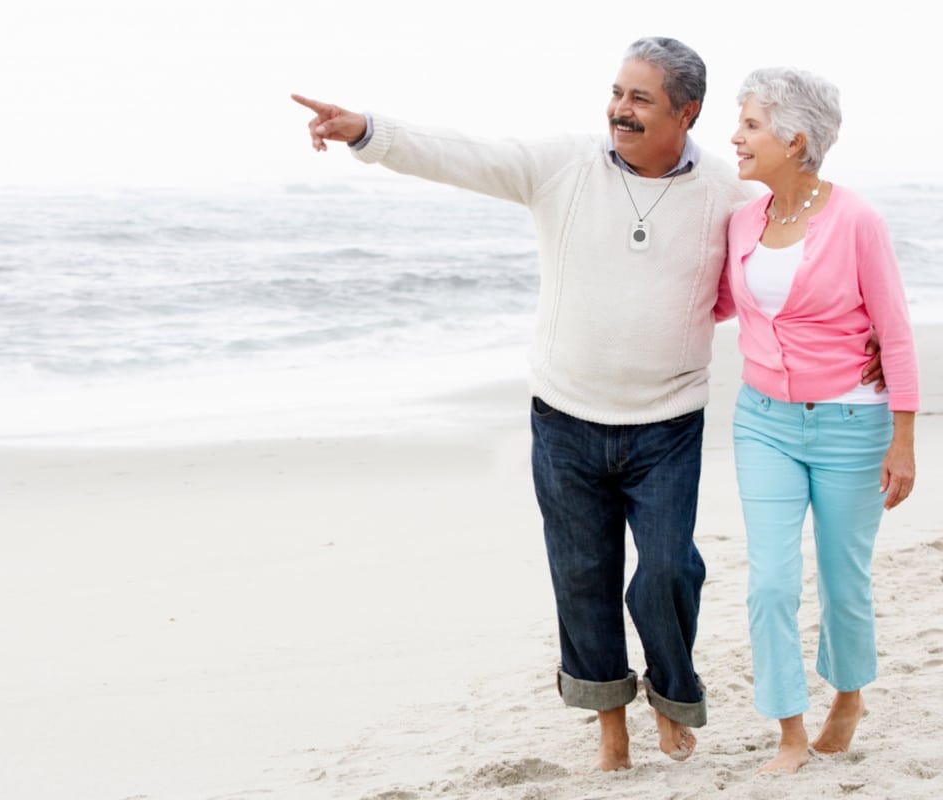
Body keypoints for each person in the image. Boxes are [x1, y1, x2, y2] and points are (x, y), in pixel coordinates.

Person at [292, 39, 878, 771]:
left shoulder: (727, 194)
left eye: (640, 99)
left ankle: (671, 696)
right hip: (565, 417)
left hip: (667, 423)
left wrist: (868, 339)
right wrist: (369, 132)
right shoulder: (562, 165)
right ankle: (612, 734)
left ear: (685, 112)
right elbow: (467, 155)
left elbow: (798, 250)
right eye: (616, 93)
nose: (619, 110)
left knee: (667, 571)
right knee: (581, 575)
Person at [725, 67, 918, 774]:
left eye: (749, 124)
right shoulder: (744, 220)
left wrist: (904, 438)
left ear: (793, 137)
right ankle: (789, 731)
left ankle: (848, 697)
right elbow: (721, 303)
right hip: (763, 422)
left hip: (852, 426)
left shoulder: (857, 219)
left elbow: (894, 331)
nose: (736, 137)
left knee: (844, 578)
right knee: (770, 581)